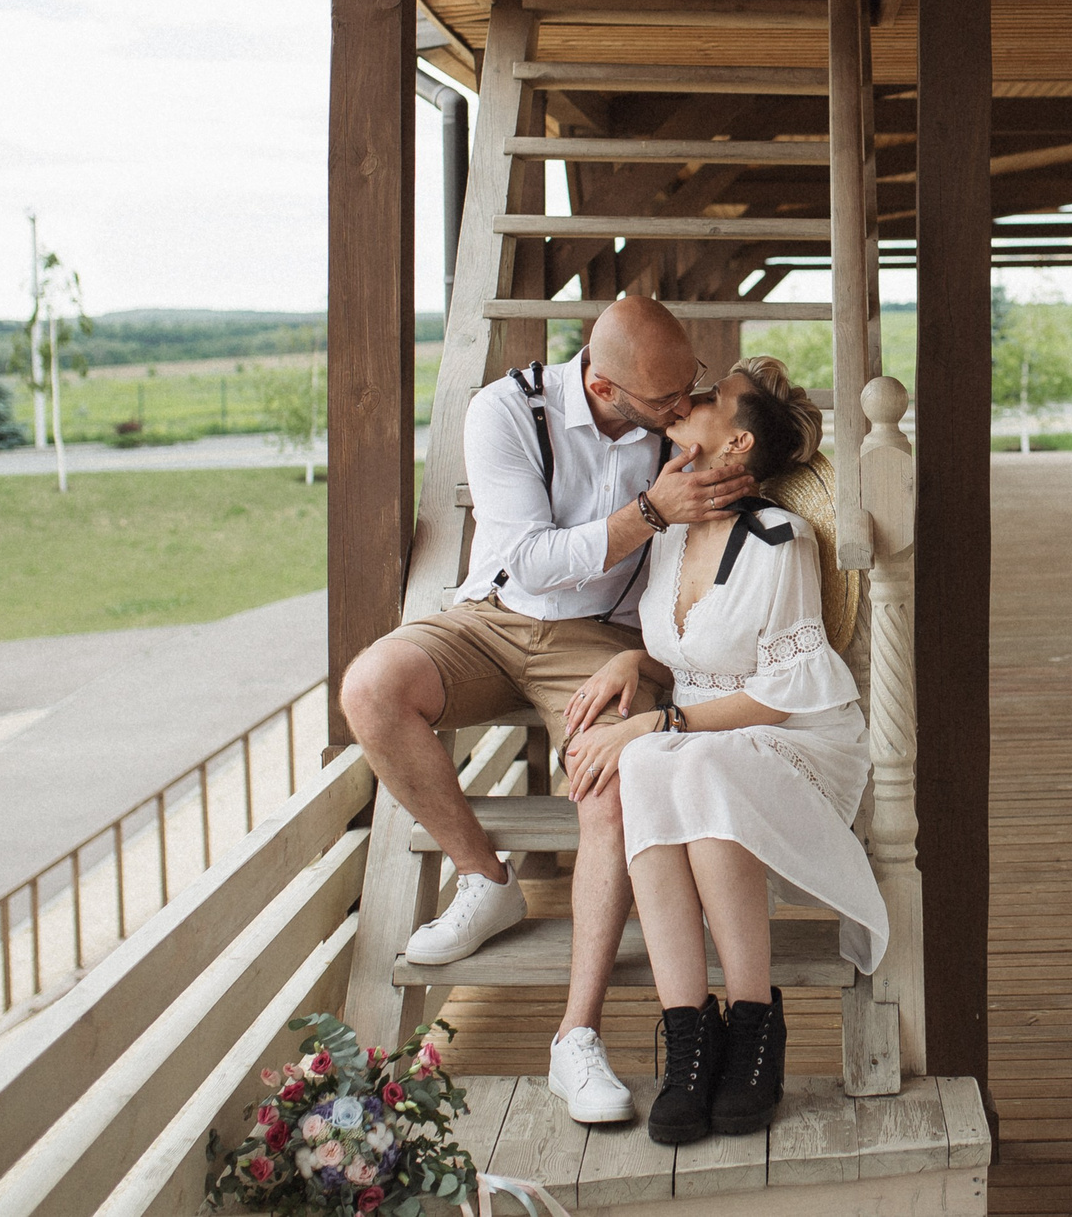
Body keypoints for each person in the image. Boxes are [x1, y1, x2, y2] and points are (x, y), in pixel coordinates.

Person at [338, 296, 758, 1126]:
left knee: (609, 781)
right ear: (602, 386)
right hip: (493, 617)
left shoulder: (682, 429)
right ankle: (484, 877)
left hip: (604, 639)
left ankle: (576, 1035)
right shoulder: (505, 410)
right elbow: (528, 560)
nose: (686, 405)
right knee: (370, 687)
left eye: (692, 383)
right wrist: (650, 511)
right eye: (667, 397)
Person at [557, 356, 886, 1145]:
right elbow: (686, 654)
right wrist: (630, 663)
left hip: (794, 736)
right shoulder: (671, 536)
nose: (693, 397)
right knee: (650, 764)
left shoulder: (780, 541)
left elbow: (782, 691)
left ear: (737, 443)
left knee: (685, 759)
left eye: (714, 396)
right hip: (705, 737)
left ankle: (753, 1021)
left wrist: (657, 722)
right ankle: (689, 1036)